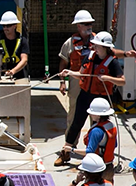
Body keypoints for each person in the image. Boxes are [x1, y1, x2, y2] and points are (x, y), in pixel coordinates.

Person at [57, 10, 134, 164]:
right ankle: (65, 152)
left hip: (101, 97)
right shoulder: (81, 50)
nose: (95, 47)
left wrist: (109, 76)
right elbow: (81, 73)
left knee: (98, 128)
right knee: (75, 123)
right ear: (78, 26)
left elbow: (122, 81)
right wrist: (67, 75)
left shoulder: (111, 62)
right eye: (86, 24)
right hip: (84, 93)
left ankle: (95, 154)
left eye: (98, 46)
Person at [62, 97, 116, 182]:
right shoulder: (111, 126)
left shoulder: (96, 131)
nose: (90, 114)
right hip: (109, 167)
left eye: (92, 113)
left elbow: (89, 151)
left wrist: (71, 149)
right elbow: (114, 144)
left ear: (98, 115)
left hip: (97, 170)